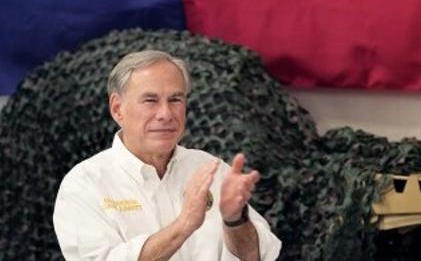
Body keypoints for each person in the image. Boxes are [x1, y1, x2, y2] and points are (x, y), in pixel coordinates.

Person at [53, 50, 282, 261]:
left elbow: (257, 257)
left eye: (175, 100)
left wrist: (235, 220)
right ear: (117, 109)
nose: (165, 114)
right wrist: (184, 225)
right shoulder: (84, 184)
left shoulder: (210, 169)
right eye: (150, 100)